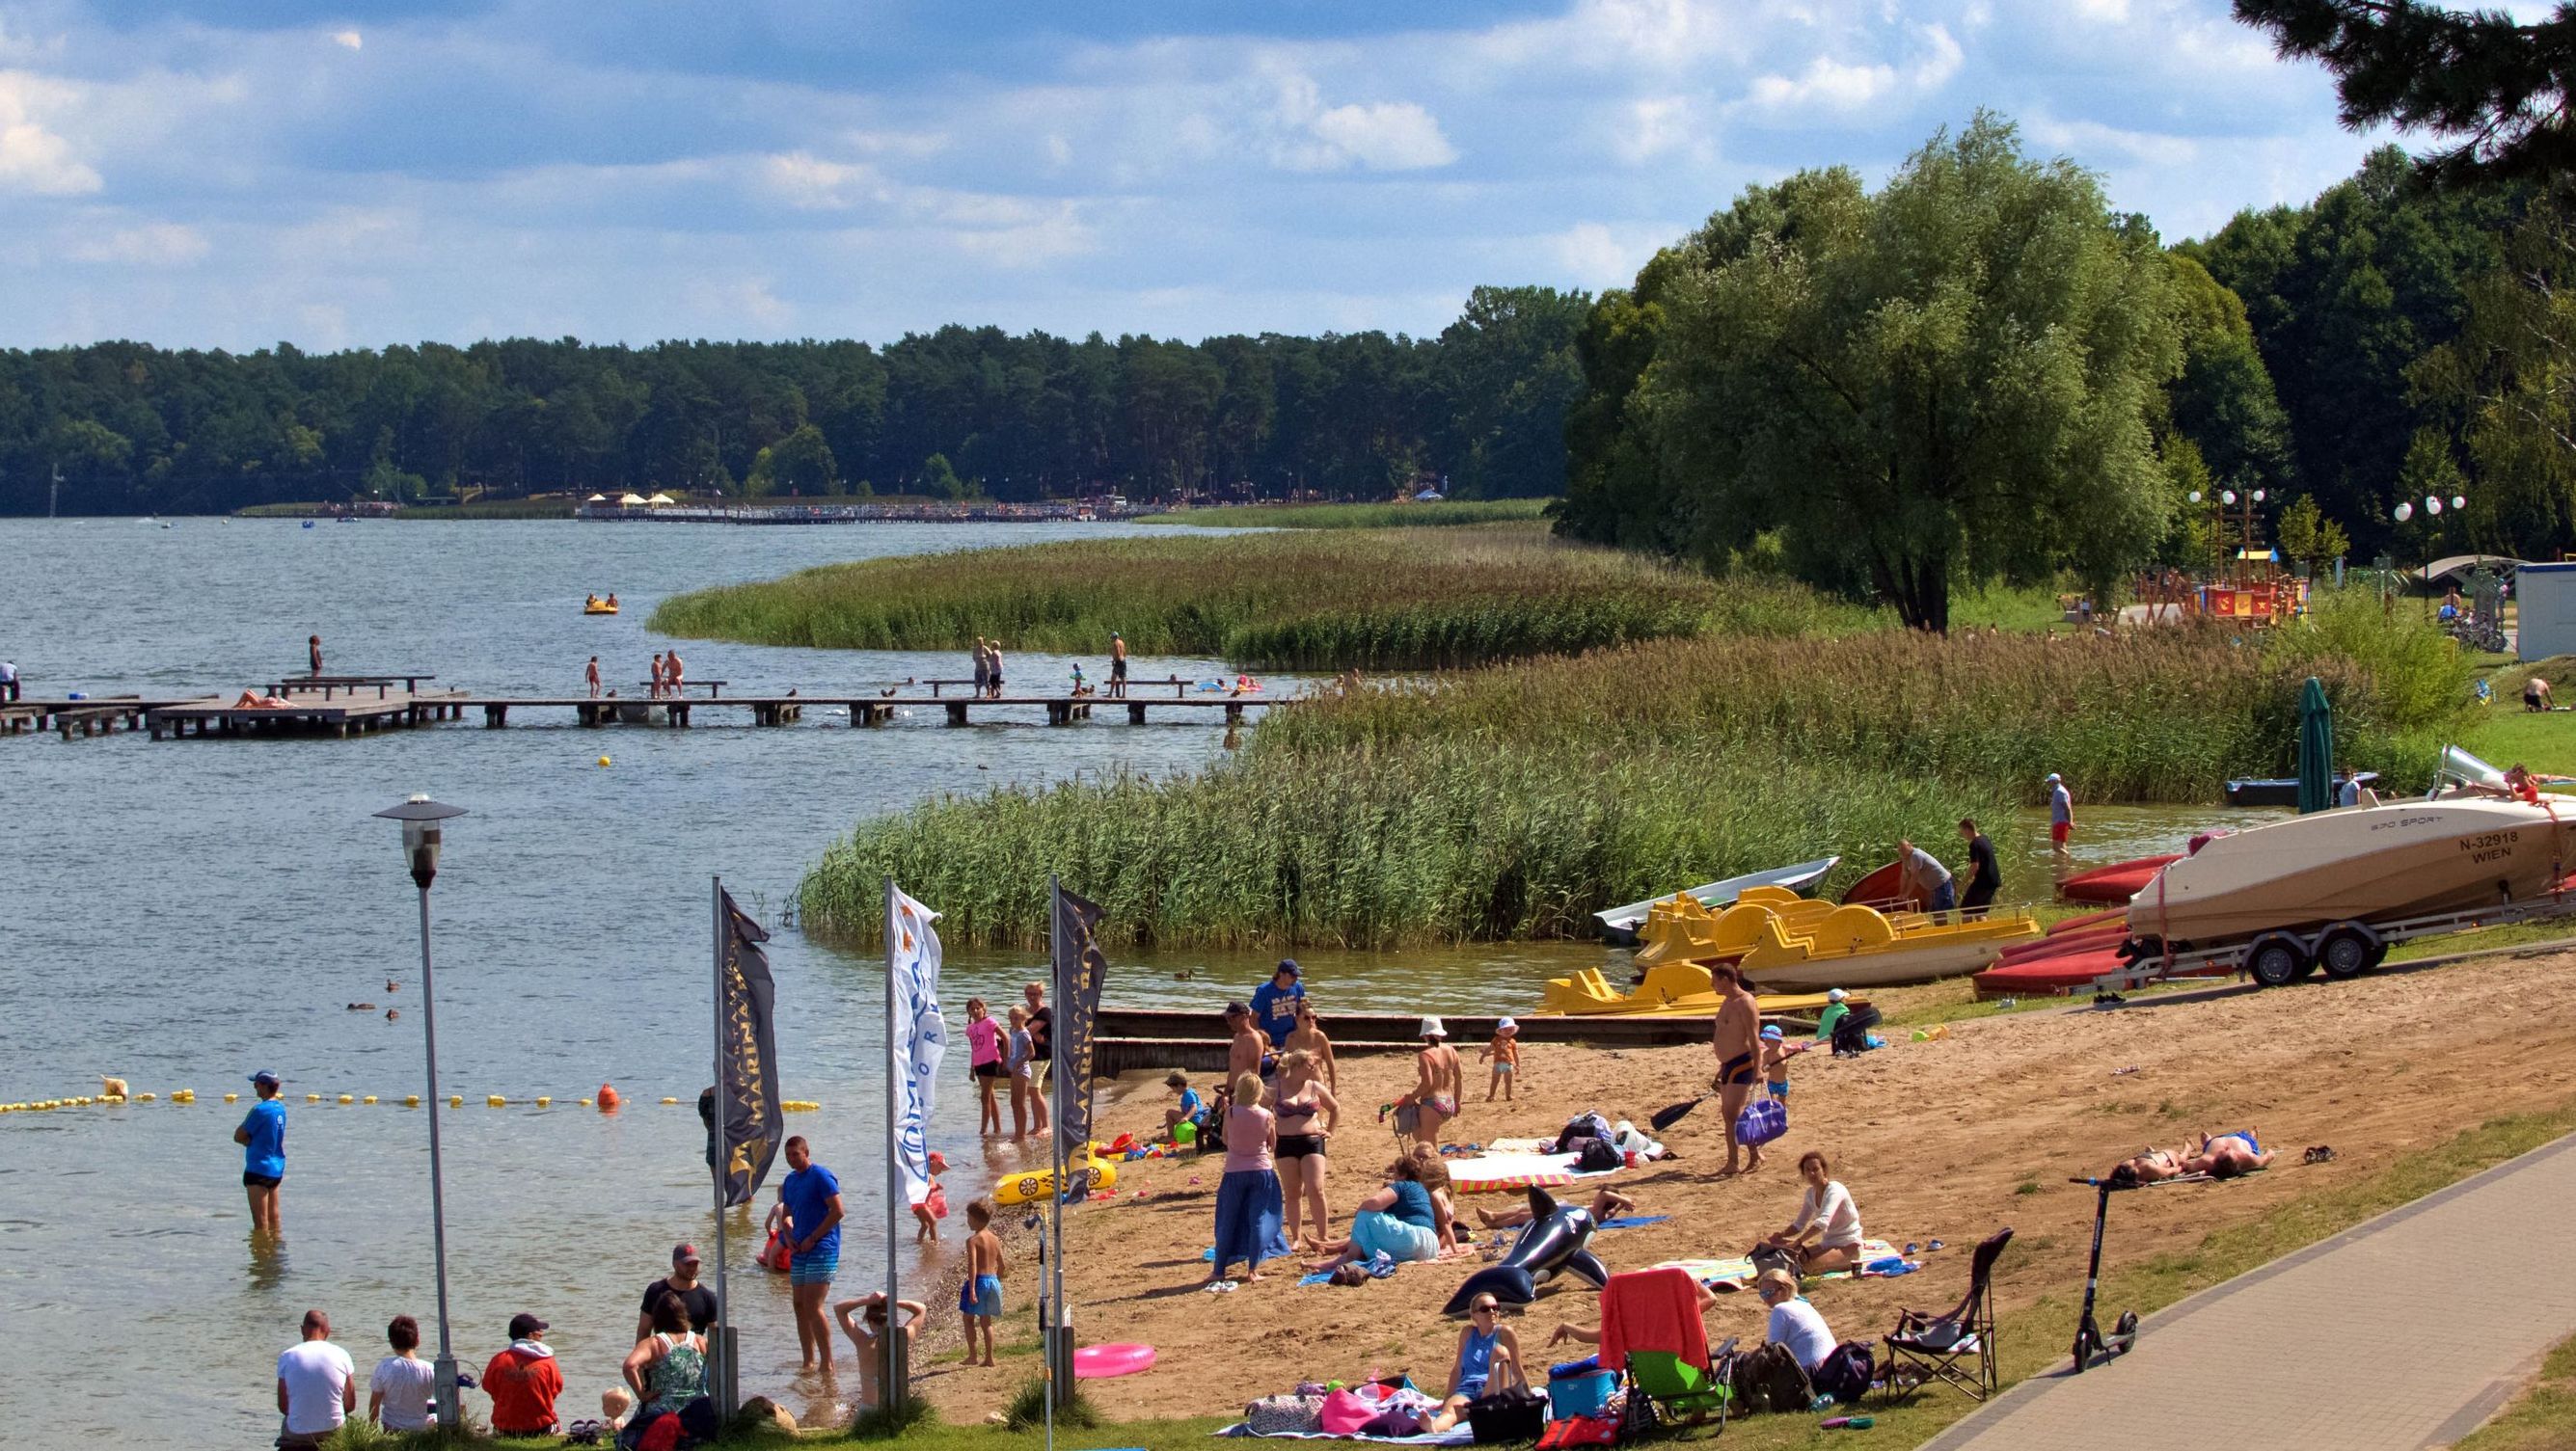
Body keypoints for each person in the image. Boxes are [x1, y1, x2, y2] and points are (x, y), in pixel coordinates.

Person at [1311, 1154, 1445, 1271]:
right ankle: (1332, 1256)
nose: (1394, 1177)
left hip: (1413, 1239)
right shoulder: (1421, 1190)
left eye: (1396, 1173)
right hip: (1431, 1247)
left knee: (1365, 1214)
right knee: (1371, 1227)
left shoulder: (1402, 1185)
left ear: (1403, 1175)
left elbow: (1374, 1203)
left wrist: (1359, 1212)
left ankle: (1348, 1257)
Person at [1210, 1071, 1285, 1282]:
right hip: (1261, 1170)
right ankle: (1252, 1270)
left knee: (1227, 1220)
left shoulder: (1231, 1112)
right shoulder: (1266, 1115)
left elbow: (1225, 1138)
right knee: (1258, 1220)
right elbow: (1272, 1144)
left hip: (1234, 1171)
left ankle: (1218, 1270)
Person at [780, 1136, 844, 1371]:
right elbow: (787, 1212)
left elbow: (838, 1211)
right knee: (798, 1304)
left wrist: (814, 1237)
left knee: (813, 1305)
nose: (791, 1159)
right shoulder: (790, 1181)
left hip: (822, 1247)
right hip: (798, 1248)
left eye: (795, 1154)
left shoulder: (820, 1176)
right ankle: (808, 1359)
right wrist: (788, 1234)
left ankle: (827, 1362)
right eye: (787, 1155)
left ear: (806, 1152)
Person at [1425, 1294, 1527, 1432]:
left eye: (1495, 1308)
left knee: (1500, 1352)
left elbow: (1516, 1368)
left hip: (1493, 1386)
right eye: (1485, 1309)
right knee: (1450, 1411)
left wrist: (1529, 1396)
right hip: (1468, 1388)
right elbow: (1457, 1370)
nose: (1492, 1312)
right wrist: (1446, 1400)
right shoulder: (1467, 1333)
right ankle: (1433, 1428)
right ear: (1473, 1315)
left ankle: (1482, 1412)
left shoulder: (1505, 1333)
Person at [620, 1292, 708, 1448]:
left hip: (662, 1412)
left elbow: (629, 1366)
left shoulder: (654, 1344)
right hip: (696, 1413)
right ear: (683, 1315)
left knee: (626, 1438)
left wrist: (642, 1394)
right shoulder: (700, 1341)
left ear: (657, 1318)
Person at [1273, 1047, 1342, 1249]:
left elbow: (1335, 1107)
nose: (1313, 1070)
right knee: (1292, 1192)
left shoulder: (1314, 1087)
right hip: (1285, 1143)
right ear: (1297, 1065)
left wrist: (1330, 1131)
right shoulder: (1276, 1087)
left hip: (1312, 1140)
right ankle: (1296, 1238)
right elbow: (1259, 1109)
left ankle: (1323, 1235)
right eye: (1310, 1066)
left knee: (1316, 1189)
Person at [1755, 1151, 1866, 1275]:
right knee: (1792, 1258)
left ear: (1823, 1170)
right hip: (1828, 1243)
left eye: (1815, 1169)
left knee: (1807, 1266)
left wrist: (1798, 1242)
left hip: (1849, 1244)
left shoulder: (1835, 1189)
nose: (1812, 1173)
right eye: (1807, 1170)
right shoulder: (1810, 1194)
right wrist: (1781, 1235)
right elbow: (1799, 1224)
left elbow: (1823, 1222)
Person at [1709, 964, 1764, 1175]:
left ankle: (1746, 1157)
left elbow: (1753, 1038)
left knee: (1733, 1114)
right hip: (1728, 1064)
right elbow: (1725, 1035)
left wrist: (1758, 1070)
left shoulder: (1746, 1003)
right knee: (1730, 1115)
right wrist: (1721, 1066)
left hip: (1743, 1062)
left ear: (1724, 979)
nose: (1712, 985)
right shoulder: (1726, 1003)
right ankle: (1745, 1157)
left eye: (1714, 980)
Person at [277, 1308, 356, 1449]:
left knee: (288, 1421)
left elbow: (284, 1407)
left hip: (298, 1433)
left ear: (302, 1330)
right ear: (328, 1330)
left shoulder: (287, 1356)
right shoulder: (342, 1355)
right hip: (334, 1431)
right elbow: (350, 1405)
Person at [833, 1292, 926, 1411]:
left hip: (869, 1409)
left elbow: (839, 1309)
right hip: (896, 1408)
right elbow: (921, 1309)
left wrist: (866, 1300)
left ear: (869, 1320)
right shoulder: (902, 1338)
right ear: (893, 1318)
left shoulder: (863, 1342)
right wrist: (894, 1302)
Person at [482, 1312, 564, 1438]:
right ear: (530, 1336)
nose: (542, 1335)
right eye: (539, 1332)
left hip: (504, 1429)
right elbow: (555, 1390)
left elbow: (488, 1387)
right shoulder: (547, 1362)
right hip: (540, 1428)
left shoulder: (498, 1360)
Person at [1752, 1268, 1837, 1378]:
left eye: (1769, 1293)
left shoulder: (1780, 1309)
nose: (1765, 1299)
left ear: (1784, 1289)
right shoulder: (1803, 1303)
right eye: (1762, 1294)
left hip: (1812, 1370)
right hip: (1833, 1363)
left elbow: (1772, 1352)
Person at [1396, 1016, 1463, 1146]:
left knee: (1431, 1149)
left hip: (1433, 1103)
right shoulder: (1451, 1050)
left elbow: (1428, 1083)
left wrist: (1412, 1096)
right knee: (1418, 1134)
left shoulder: (1425, 1055)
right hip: (1449, 1103)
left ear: (1425, 1035)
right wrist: (1457, 1101)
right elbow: (1459, 1078)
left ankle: (1433, 1166)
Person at [235, 1069, 287, 1234]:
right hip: (276, 1168)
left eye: (256, 1084)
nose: (254, 1087)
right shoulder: (281, 1109)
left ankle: (262, 1257)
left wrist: (247, 1141)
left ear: (264, 1086)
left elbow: (238, 1135)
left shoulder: (259, 1110)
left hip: (258, 1169)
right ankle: (276, 1255)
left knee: (260, 1224)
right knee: (274, 1220)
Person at [636, 1243, 719, 1341]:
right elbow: (644, 1330)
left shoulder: (707, 1297)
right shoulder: (656, 1291)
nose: (692, 1268)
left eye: (695, 1264)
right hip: (663, 1351)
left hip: (694, 1353)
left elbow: (715, 1337)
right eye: (687, 1264)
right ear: (674, 1264)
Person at [367, 1314, 436, 1432]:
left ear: (391, 1343)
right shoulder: (430, 1369)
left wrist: (372, 1431)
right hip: (423, 1430)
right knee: (433, 1404)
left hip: (392, 1428)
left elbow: (374, 1405)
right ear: (417, 1341)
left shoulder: (385, 1367)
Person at [960, 1197, 1004, 1366]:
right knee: (986, 1321)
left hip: (978, 1281)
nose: (967, 1221)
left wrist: (971, 1289)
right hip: (992, 1280)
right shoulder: (994, 1238)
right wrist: (997, 1280)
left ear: (976, 1219)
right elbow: (1002, 1264)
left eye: (969, 1218)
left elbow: (972, 1265)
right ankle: (990, 1358)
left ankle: (973, 1356)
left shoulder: (973, 1240)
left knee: (968, 1318)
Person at [1478, 1186, 1634, 1231]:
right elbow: (1614, 1203)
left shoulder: (1598, 1210)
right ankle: (1494, 1216)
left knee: (1521, 1216)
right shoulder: (1606, 1213)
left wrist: (1624, 1200)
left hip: (1560, 1214)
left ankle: (1494, 1222)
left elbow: (1605, 1194)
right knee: (1522, 1212)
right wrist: (1623, 1203)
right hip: (1563, 1209)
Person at [964, 998, 1004, 1136]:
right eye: (972, 1009)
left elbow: (1005, 1037)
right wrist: (971, 1070)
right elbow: (973, 1049)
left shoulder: (990, 1022)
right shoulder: (970, 1029)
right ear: (969, 1012)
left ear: (983, 1009)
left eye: (977, 1008)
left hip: (990, 1061)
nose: (975, 1011)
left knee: (984, 1097)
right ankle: (997, 1129)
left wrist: (1008, 1057)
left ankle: (983, 1131)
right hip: (978, 1064)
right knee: (990, 1096)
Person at [1006, 1004, 1046, 1139]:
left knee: (1020, 1102)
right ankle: (1018, 1131)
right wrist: (1008, 1059)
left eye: (1016, 1018)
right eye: (1011, 1018)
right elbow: (1012, 1048)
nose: (1013, 1021)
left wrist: (1020, 1062)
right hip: (1014, 1068)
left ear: (1023, 1018)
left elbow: (1031, 1053)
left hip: (1022, 1070)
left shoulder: (1024, 1033)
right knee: (1014, 1102)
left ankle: (1020, 1134)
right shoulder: (1013, 1031)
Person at [1250, 959, 1305, 1050]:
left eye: (1297, 976)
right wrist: (1260, 1036)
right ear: (1281, 974)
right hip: (1269, 1040)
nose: (1295, 979)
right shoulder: (1264, 991)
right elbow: (1253, 1017)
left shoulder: (1298, 988)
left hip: (1290, 1038)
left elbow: (1302, 1011)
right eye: (1292, 976)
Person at [1285, 999, 1339, 1091]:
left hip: (1317, 1084)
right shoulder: (1291, 1038)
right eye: (1306, 1018)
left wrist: (1333, 1089)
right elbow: (1286, 1065)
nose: (1311, 1021)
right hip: (1297, 1086)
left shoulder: (1320, 1037)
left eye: (1314, 1017)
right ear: (1297, 1019)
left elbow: (1330, 1063)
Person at [1897, 837, 1955, 919]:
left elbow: (1914, 876)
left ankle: (1944, 930)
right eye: (1900, 850)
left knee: (1940, 911)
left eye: (1903, 849)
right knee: (1934, 911)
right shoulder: (1905, 858)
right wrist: (1901, 892)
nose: (1901, 852)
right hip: (1932, 888)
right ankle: (1938, 930)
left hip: (1942, 884)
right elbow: (1904, 875)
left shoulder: (1916, 855)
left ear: (1910, 846)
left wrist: (1907, 893)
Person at [2183, 1127, 2275, 1178]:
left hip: (2215, 1141)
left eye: (2224, 1151)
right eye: (2228, 1150)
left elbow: (2187, 1166)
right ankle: (2252, 1136)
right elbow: (2268, 1156)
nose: (2227, 1148)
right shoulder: (2248, 1157)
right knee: (2252, 1140)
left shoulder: (2207, 1160)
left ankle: (2207, 1141)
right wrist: (2268, 1152)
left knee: (2209, 1145)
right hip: (2243, 1138)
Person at [1956, 818, 2000, 918]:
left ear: (1967, 829)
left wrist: (1961, 884)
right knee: (1980, 913)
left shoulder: (1974, 844)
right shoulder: (1984, 838)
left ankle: (1966, 933)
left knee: (1966, 911)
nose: (1963, 835)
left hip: (1983, 882)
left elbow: (1974, 866)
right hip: (1993, 880)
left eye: (1962, 832)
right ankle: (1984, 933)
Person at [1760, 1024, 1806, 1101]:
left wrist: (1798, 1049)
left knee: (1782, 1102)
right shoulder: (1766, 1053)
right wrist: (1765, 1068)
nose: (1766, 1043)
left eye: (1768, 1041)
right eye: (1765, 1041)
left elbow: (1797, 1048)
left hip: (1782, 1082)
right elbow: (1763, 1068)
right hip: (1772, 1082)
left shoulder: (1784, 1048)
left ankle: (1782, 1112)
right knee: (1772, 1102)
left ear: (1778, 1041)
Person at [1481, 1017, 1521, 1102]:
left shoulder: (1513, 1041)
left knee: (1508, 1082)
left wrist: (1517, 1065)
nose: (1508, 1031)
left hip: (1509, 1064)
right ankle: (1491, 1096)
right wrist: (1483, 1056)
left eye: (1510, 1029)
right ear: (1500, 1030)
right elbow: (1489, 1048)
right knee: (1495, 1081)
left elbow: (1516, 1054)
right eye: (1505, 1029)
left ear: (1513, 1030)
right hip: (1497, 1064)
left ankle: (1508, 1095)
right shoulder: (1496, 1040)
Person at [1162, 1071, 1203, 1135]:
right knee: (1171, 1115)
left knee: (1169, 1113)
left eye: (1173, 1088)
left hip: (1195, 1122)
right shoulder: (1187, 1093)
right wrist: (1167, 1123)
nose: (1173, 1091)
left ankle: (1170, 1136)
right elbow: (1185, 1112)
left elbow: (1194, 1108)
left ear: (1179, 1085)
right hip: (1195, 1121)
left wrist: (1186, 1118)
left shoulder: (1189, 1094)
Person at [1021, 980, 1052, 1063]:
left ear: (1041, 995)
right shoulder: (1024, 1011)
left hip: (1041, 1054)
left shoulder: (1045, 1012)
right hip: (1026, 1053)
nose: (1032, 997)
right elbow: (1014, 1029)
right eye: (1029, 994)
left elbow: (1027, 1031)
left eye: (1035, 994)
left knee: (1035, 1077)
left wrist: (1020, 1026)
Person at [2047, 771, 2076, 857]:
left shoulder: (2060, 792)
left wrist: (2070, 822)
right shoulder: (2058, 791)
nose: (2048, 784)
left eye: (2049, 782)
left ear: (2054, 781)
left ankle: (2068, 858)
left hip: (2061, 822)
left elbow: (2067, 808)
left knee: (2056, 847)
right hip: (2060, 822)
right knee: (2061, 846)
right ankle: (2063, 865)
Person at [1109, 631, 1128, 698]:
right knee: (1123, 678)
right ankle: (1123, 694)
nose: (1111, 639)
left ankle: (1110, 694)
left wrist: (1114, 661)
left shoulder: (1115, 643)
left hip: (1118, 661)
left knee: (1113, 677)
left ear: (1114, 637)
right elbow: (1124, 652)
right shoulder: (1122, 642)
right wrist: (1122, 658)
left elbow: (1118, 651)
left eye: (1112, 637)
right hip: (1123, 661)